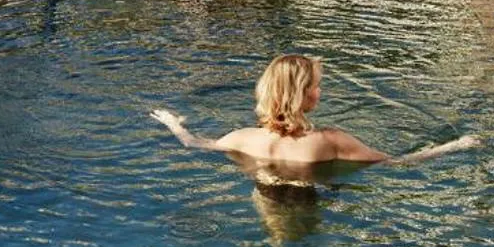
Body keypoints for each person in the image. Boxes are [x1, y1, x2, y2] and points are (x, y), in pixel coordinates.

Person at [150, 54, 477, 170]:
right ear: (302, 96)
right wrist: (456, 145)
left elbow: (193, 144)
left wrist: (174, 124)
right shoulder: (330, 141)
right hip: (307, 199)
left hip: (264, 194)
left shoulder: (242, 138)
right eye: (316, 86)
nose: (321, 90)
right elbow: (395, 163)